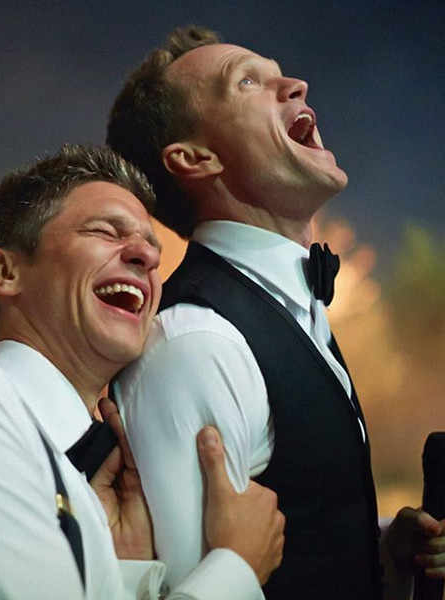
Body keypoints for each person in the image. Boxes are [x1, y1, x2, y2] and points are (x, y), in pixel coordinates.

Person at [0, 144, 285, 599]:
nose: (147, 256)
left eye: (152, 247)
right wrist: (236, 568)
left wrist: (124, 571)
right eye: (105, 231)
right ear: (4, 271)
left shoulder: (86, 487)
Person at [107, 26, 445, 599]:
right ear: (195, 158)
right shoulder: (193, 344)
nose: (296, 84)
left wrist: (382, 550)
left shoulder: (291, 306)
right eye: (246, 82)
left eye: (277, 72)